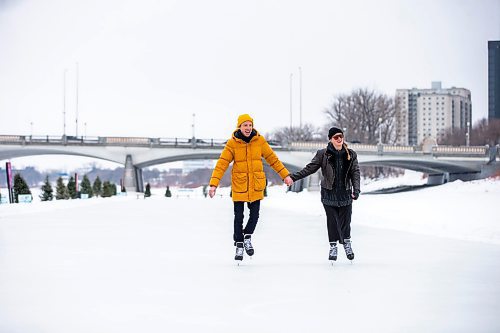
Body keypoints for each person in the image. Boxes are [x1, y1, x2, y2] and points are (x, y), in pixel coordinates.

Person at [208, 114, 293, 261]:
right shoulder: (232, 144)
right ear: (239, 127)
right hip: (240, 185)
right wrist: (213, 184)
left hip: (256, 185)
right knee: (238, 217)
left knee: (254, 216)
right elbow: (222, 164)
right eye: (245, 125)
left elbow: (272, 159)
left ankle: (247, 236)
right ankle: (239, 245)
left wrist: (285, 175)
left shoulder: (259, 141)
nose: (248, 128)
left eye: (249, 125)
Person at [288, 127, 360, 261]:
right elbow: (309, 169)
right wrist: (293, 178)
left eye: (341, 136)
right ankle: (333, 246)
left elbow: (355, 173)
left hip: (345, 194)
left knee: (346, 221)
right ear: (330, 139)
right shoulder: (323, 154)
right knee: (332, 221)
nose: (339, 139)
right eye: (336, 137)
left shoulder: (351, 154)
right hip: (329, 194)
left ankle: (347, 243)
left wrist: (356, 190)